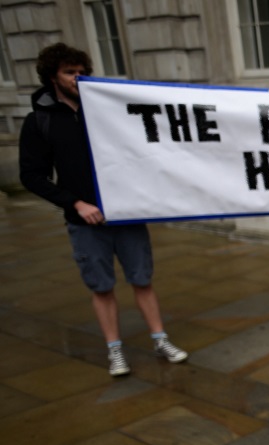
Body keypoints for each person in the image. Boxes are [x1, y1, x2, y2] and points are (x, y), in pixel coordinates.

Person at [19, 43, 187, 377]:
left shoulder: (108, 110)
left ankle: (160, 338)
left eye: (81, 72)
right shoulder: (40, 121)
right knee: (101, 286)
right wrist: (75, 204)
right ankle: (115, 351)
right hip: (85, 221)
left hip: (126, 213)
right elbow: (31, 176)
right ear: (53, 76)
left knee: (142, 279)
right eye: (69, 72)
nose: (77, 78)